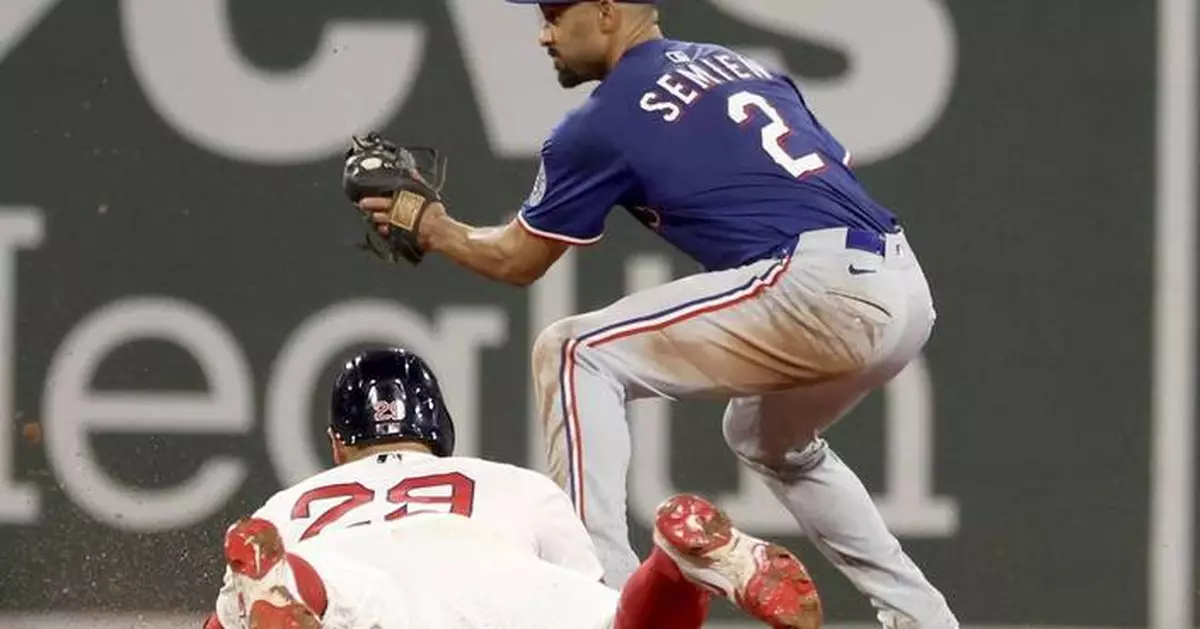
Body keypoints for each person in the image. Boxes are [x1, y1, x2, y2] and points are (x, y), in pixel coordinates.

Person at [351, 1, 957, 627]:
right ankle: (922, 617)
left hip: (820, 287)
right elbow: (822, 173)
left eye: (557, 14)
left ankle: (601, 599)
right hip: (900, 284)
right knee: (766, 438)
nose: (543, 33)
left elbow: (516, 261)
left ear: (608, 11)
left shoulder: (603, 120)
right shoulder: (742, 66)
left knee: (573, 352)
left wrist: (432, 224)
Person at [202, 347, 821, 629]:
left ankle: (290, 583)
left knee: (257, 605)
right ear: (439, 429)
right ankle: (673, 565)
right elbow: (588, 592)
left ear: (339, 445)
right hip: (496, 575)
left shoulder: (289, 505)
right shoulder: (513, 485)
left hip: (353, 578)